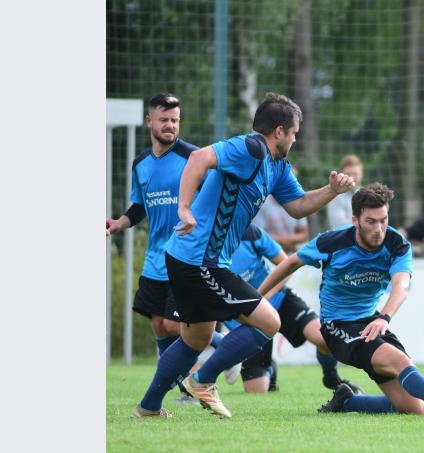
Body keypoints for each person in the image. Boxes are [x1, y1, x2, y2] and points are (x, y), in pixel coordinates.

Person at [132, 92, 355, 419]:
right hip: (199, 260)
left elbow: (297, 207)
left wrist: (332, 191)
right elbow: (198, 159)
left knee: (196, 338)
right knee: (269, 322)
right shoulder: (250, 148)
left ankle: (148, 407)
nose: (295, 139)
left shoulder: (277, 166)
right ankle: (204, 380)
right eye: (294, 132)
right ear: (278, 131)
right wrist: (183, 206)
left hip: (194, 260)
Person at [257, 183, 424, 417]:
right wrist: (259, 297)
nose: (379, 228)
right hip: (338, 326)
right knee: (399, 361)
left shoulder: (397, 244)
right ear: (356, 220)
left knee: (413, 408)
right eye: (371, 222)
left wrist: (384, 317)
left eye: (383, 220)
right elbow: (291, 263)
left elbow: (401, 286)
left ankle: (347, 402)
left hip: (372, 322)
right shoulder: (332, 242)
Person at [106, 93, 226, 402]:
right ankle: (180, 382)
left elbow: (215, 197)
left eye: (175, 120)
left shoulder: (195, 157)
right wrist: (119, 223)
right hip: (154, 257)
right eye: (164, 120)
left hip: (187, 253)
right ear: (150, 122)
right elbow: (139, 206)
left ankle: (224, 345)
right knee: (159, 324)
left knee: (176, 322)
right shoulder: (141, 164)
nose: (171, 126)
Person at [225, 223, 362, 394]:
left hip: (279, 299)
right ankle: (270, 369)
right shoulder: (204, 247)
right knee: (256, 391)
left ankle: (332, 378)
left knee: (323, 338)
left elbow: (286, 264)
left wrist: (267, 295)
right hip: (248, 317)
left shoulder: (251, 232)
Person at [253, 167, 310, 253]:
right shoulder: (262, 202)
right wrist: (283, 242)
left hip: (292, 251)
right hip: (268, 253)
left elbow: (304, 235)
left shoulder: (297, 200)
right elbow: (257, 234)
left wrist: (286, 241)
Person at [326, 154, 364, 229]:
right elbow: (339, 227)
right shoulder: (335, 196)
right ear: (342, 175)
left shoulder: (368, 194)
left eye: (355, 174)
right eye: (348, 174)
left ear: (361, 174)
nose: (352, 178)